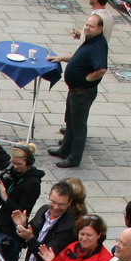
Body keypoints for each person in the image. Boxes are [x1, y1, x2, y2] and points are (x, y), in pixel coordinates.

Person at [45, 14, 106, 167]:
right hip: (75, 90)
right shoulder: (89, 40)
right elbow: (78, 59)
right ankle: (64, 150)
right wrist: (61, 58)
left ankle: (74, 158)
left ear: (100, 28)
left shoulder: (99, 46)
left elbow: (101, 69)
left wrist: (88, 79)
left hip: (83, 92)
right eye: (86, 25)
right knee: (70, 122)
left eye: (91, 26)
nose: (87, 28)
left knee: (78, 126)